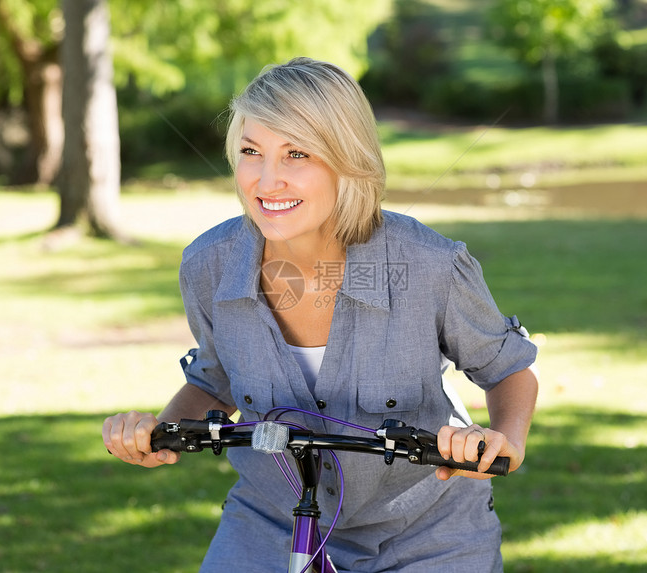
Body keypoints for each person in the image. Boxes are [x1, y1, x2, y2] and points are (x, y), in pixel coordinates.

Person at [102, 57, 538, 572]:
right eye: (250, 152)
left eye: (296, 154)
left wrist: (503, 439)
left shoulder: (429, 265)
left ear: (346, 160)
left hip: (426, 530)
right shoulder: (209, 264)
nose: (267, 180)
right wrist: (157, 433)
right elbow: (216, 377)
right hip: (270, 519)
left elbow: (506, 367)